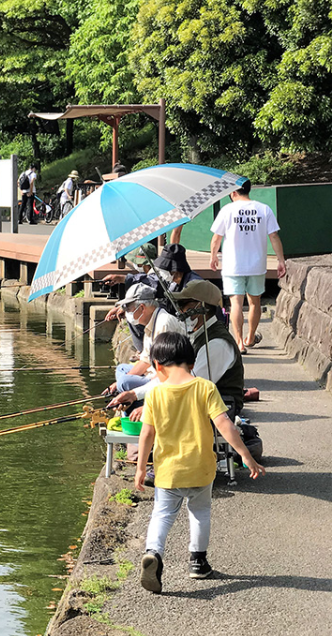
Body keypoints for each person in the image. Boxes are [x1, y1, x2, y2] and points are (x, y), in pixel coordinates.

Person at [135, 332, 264, 593]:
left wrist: (140, 468)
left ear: (157, 365)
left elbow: (147, 434)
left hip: (167, 471)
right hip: (201, 469)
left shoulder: (156, 394)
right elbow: (225, 425)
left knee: (162, 514)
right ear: (192, 363)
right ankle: (198, 562)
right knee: (200, 512)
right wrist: (246, 455)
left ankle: (153, 552)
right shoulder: (205, 388)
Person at [210, 180, 287, 353]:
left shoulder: (227, 210)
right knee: (254, 302)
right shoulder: (264, 209)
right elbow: (274, 236)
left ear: (234, 192)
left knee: (235, 303)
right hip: (256, 264)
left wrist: (213, 256)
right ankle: (251, 337)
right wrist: (281, 260)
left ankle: (239, 343)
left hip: (233, 264)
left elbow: (216, 237)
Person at [105, 283, 186, 423]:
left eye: (128, 308)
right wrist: (116, 384)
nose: (127, 313)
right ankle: (128, 404)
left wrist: (121, 383)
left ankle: (132, 416)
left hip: (162, 377)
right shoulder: (151, 322)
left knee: (124, 381)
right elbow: (145, 360)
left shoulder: (164, 323)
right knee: (122, 370)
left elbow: (167, 370)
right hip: (153, 371)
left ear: (142, 308)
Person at [170, 280, 246, 416]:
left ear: (200, 307)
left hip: (219, 410)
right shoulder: (198, 334)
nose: (180, 311)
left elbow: (190, 386)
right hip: (199, 402)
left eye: (183, 305)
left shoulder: (217, 343)